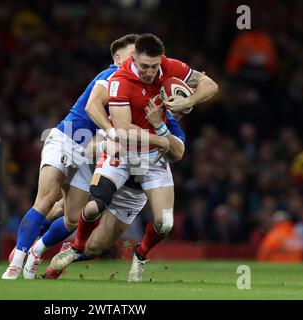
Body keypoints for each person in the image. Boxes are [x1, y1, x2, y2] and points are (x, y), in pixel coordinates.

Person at [48, 33, 218, 282]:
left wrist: (186, 103)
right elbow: (124, 129)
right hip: (123, 154)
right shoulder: (121, 80)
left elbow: (210, 86)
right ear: (134, 60)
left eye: (155, 66)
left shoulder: (170, 72)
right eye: (144, 67)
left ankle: (139, 255)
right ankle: (66, 246)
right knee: (94, 207)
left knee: (163, 225)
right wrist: (161, 139)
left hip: (146, 171)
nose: (150, 72)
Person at [2, 34, 159, 280]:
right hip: (68, 140)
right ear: (118, 58)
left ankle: (35, 250)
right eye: (132, 56)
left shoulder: (134, 86)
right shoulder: (111, 77)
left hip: (90, 153)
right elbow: (92, 109)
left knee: (73, 217)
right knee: (46, 199)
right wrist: (113, 133)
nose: (137, 62)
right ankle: (16, 260)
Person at [46, 103, 186, 281]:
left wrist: (160, 126)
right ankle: (33, 246)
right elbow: (90, 146)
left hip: (132, 193)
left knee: (95, 248)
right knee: (68, 208)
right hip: (110, 169)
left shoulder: (170, 127)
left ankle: (71, 252)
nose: (176, 113)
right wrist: (105, 146)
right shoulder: (126, 114)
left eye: (180, 110)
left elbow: (178, 152)